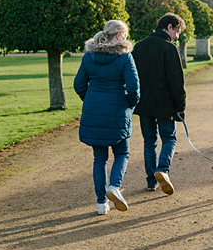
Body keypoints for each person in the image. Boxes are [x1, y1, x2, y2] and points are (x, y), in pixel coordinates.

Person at [73, 19, 140, 216]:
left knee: (99, 158)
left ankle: (101, 203)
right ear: (119, 35)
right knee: (122, 153)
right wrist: (130, 105)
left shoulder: (89, 56)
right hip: (118, 111)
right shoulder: (125, 57)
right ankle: (115, 187)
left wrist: (91, 101)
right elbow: (134, 88)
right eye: (125, 34)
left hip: (94, 111)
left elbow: (78, 85)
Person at [132, 13, 187, 195]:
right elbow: (176, 81)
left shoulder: (139, 46)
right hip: (165, 102)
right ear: (169, 27)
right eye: (177, 31)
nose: (177, 36)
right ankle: (162, 170)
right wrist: (181, 105)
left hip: (144, 102)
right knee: (169, 139)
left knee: (149, 142)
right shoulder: (169, 48)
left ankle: (151, 181)